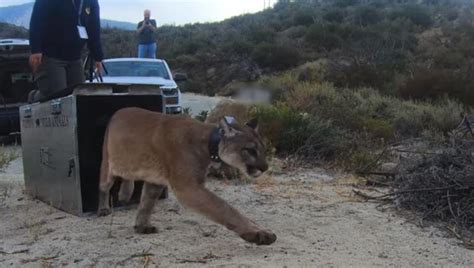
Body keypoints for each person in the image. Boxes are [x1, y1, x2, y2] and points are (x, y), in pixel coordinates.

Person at [29, 0, 104, 101]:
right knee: (59, 95)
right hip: (52, 55)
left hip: (75, 57)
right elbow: (37, 20)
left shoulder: (91, 2)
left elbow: (94, 29)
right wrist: (36, 49)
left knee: (79, 94)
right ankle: (35, 97)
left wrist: (98, 57)